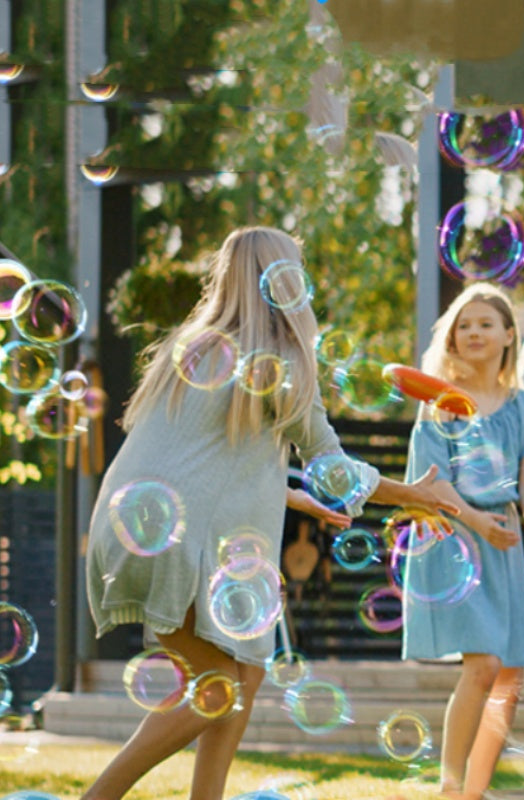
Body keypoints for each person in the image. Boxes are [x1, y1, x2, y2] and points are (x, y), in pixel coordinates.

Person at [80, 226, 457, 800]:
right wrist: (414, 494)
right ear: (286, 284)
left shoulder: (194, 347)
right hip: (183, 539)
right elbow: (331, 467)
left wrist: (289, 493)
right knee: (217, 688)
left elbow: (200, 459)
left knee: (246, 672)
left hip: (137, 521)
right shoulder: (283, 360)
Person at [399, 282, 524, 799]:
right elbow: (432, 481)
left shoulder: (522, 406)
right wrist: (477, 521)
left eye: (485, 323)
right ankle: (450, 789)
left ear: (508, 335)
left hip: (503, 540)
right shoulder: (438, 402)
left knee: (509, 677)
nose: (473, 332)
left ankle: (472, 792)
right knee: (484, 666)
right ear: (451, 338)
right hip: (456, 537)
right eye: (464, 325)